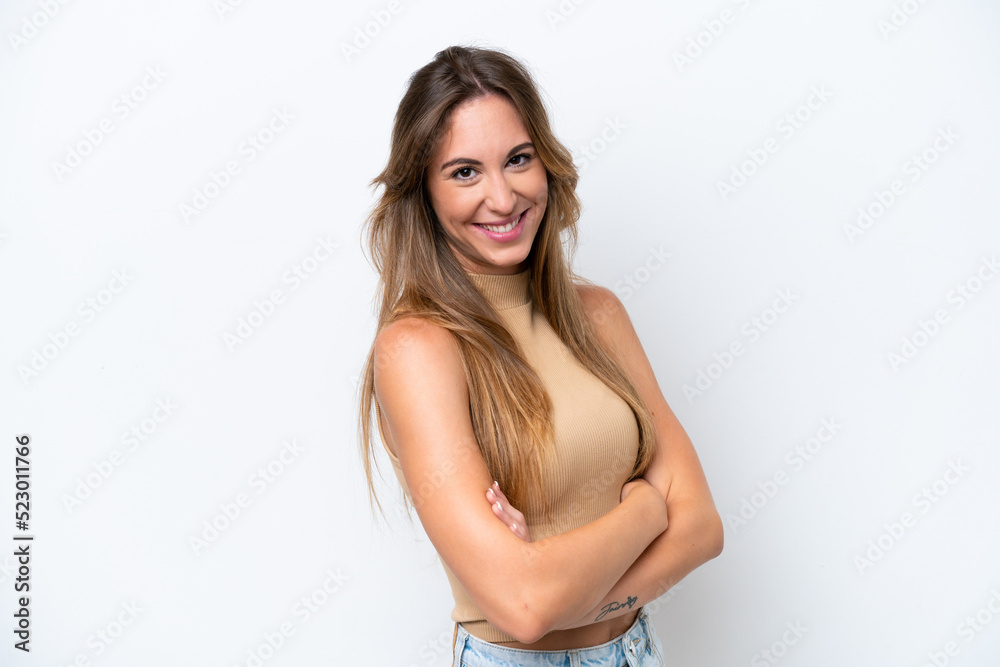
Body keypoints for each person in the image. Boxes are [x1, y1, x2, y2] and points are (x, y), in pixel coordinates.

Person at [356, 44, 724, 666]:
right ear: (424, 191)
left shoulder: (599, 316)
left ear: (546, 164)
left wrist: (572, 595)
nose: (502, 199)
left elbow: (702, 529)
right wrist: (644, 508)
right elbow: (524, 608)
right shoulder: (417, 349)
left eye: (518, 160)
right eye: (465, 172)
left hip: (636, 653)